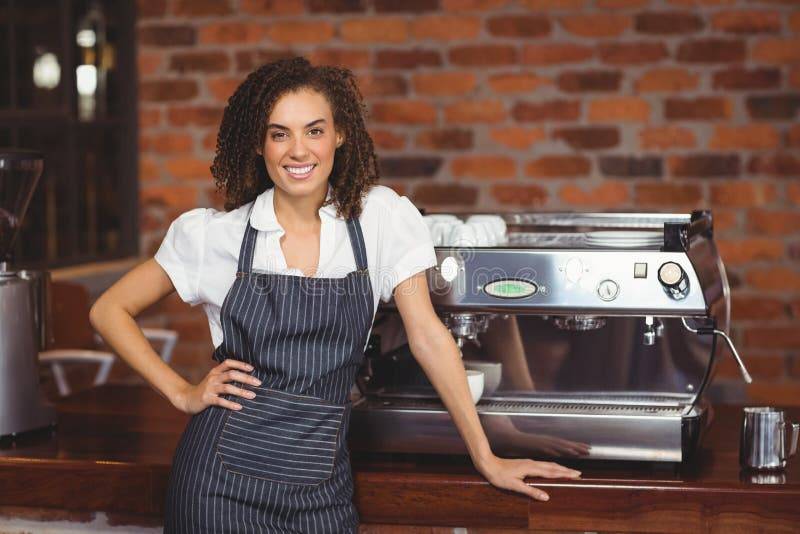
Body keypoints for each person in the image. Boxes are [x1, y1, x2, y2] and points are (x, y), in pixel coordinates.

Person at [89, 57, 580, 533]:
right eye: (279, 133)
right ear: (258, 145)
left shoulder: (381, 219)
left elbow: (428, 336)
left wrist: (485, 455)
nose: (297, 150)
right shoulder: (213, 237)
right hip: (218, 486)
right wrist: (181, 392)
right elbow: (109, 309)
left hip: (322, 488)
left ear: (339, 135)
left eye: (314, 130)